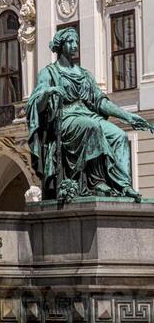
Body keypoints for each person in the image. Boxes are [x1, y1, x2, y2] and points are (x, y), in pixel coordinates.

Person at [27, 26, 153, 201]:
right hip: (66, 118)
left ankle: (123, 186)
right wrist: (48, 93)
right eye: (71, 41)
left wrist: (128, 116)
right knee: (91, 127)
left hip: (87, 115)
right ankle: (96, 182)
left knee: (119, 136)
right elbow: (36, 104)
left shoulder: (85, 74)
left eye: (76, 42)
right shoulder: (49, 73)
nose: (75, 45)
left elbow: (100, 102)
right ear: (60, 45)